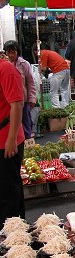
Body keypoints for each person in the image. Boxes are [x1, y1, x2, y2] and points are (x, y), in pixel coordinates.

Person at [0, 58, 25, 229]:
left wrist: (11, 139)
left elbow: (17, 104)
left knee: (9, 192)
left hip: (7, 140)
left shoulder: (6, 69)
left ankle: (14, 232)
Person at [4, 40, 37, 139]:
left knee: (25, 121)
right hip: (8, 100)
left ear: (17, 51)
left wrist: (32, 98)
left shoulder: (24, 64)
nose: (10, 55)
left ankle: (27, 142)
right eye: (8, 52)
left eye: (13, 52)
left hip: (23, 99)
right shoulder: (4, 65)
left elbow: (31, 82)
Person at [33, 44, 70, 108]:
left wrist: (41, 71)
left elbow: (43, 68)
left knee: (53, 92)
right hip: (66, 70)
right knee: (64, 90)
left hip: (59, 71)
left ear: (36, 51)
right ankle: (65, 107)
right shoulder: (49, 52)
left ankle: (56, 109)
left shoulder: (43, 53)